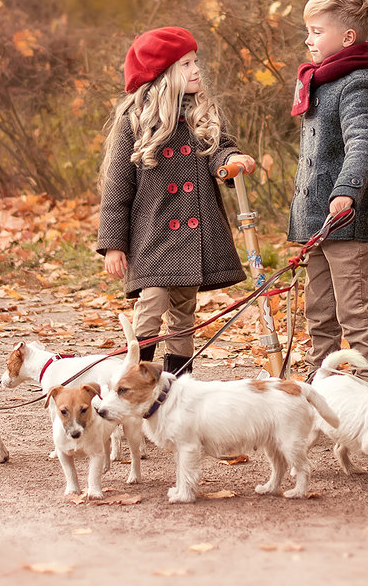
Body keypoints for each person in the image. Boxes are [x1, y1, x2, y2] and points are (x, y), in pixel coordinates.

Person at [97, 27, 256, 375]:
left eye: (195, 61)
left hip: (194, 241)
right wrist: (113, 245)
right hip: (153, 238)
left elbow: (220, 150)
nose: (197, 69)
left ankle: (177, 386)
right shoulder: (135, 123)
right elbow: (117, 189)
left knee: (184, 314)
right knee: (151, 306)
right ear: (163, 74)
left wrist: (231, 162)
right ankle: (132, 382)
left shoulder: (205, 114)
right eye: (185, 64)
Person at [288, 0, 368, 386]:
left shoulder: (358, 84)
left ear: (347, 37)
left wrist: (346, 189)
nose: (308, 39)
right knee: (320, 312)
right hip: (317, 223)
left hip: (346, 220)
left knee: (355, 312)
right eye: (308, 31)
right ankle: (325, 388)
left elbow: (363, 142)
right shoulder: (320, 81)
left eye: (316, 31)